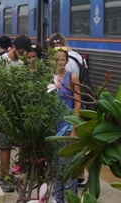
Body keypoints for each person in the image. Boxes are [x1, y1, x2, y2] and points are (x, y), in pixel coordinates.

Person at [0, 33, 32, 192]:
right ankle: (4, 177)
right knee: (5, 145)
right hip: (2, 109)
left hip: (16, 110)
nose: (22, 55)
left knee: (13, 143)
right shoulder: (1, 62)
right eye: (20, 52)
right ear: (14, 47)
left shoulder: (20, 63)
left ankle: (6, 174)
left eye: (24, 53)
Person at [51, 48, 81, 203]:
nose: (60, 62)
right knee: (55, 165)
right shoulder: (49, 78)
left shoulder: (72, 78)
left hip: (67, 125)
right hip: (53, 127)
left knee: (68, 165)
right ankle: (57, 198)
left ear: (67, 61)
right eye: (57, 59)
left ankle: (70, 198)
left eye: (62, 59)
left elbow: (78, 103)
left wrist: (74, 128)